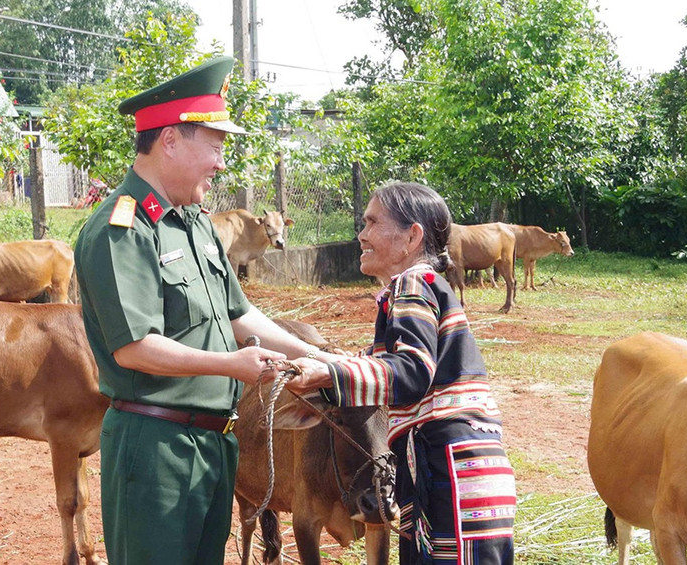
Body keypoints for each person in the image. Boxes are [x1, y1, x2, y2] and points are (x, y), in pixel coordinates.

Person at [73, 56, 331, 565]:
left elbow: (241, 316)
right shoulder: (121, 229)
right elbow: (134, 347)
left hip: (215, 443)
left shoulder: (194, 223)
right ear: (170, 140)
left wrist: (318, 355)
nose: (219, 162)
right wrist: (231, 366)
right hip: (157, 449)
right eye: (213, 145)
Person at [285, 182, 517, 564]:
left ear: (412, 236)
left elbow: (411, 370)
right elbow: (385, 359)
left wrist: (329, 374)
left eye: (373, 223)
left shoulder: (411, 284)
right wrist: (319, 363)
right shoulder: (417, 290)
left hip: (450, 475)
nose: (362, 235)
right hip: (451, 472)